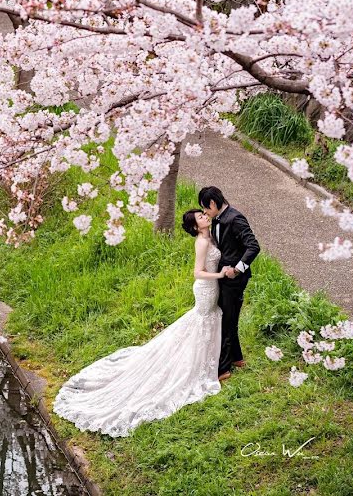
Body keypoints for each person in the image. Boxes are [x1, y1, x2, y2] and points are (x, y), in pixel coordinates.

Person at [52, 210, 225, 437]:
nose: (204, 216)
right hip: (205, 289)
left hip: (212, 291)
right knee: (202, 322)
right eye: (200, 217)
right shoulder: (202, 242)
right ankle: (201, 365)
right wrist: (220, 275)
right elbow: (197, 272)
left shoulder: (212, 235)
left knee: (205, 321)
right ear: (195, 227)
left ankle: (212, 360)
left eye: (203, 214)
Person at [198, 186, 260, 381]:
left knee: (226, 320)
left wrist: (237, 269)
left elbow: (253, 246)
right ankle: (236, 357)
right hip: (223, 277)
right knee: (230, 317)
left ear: (214, 204)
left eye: (206, 208)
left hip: (234, 279)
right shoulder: (218, 219)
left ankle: (222, 368)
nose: (205, 213)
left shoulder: (235, 218)